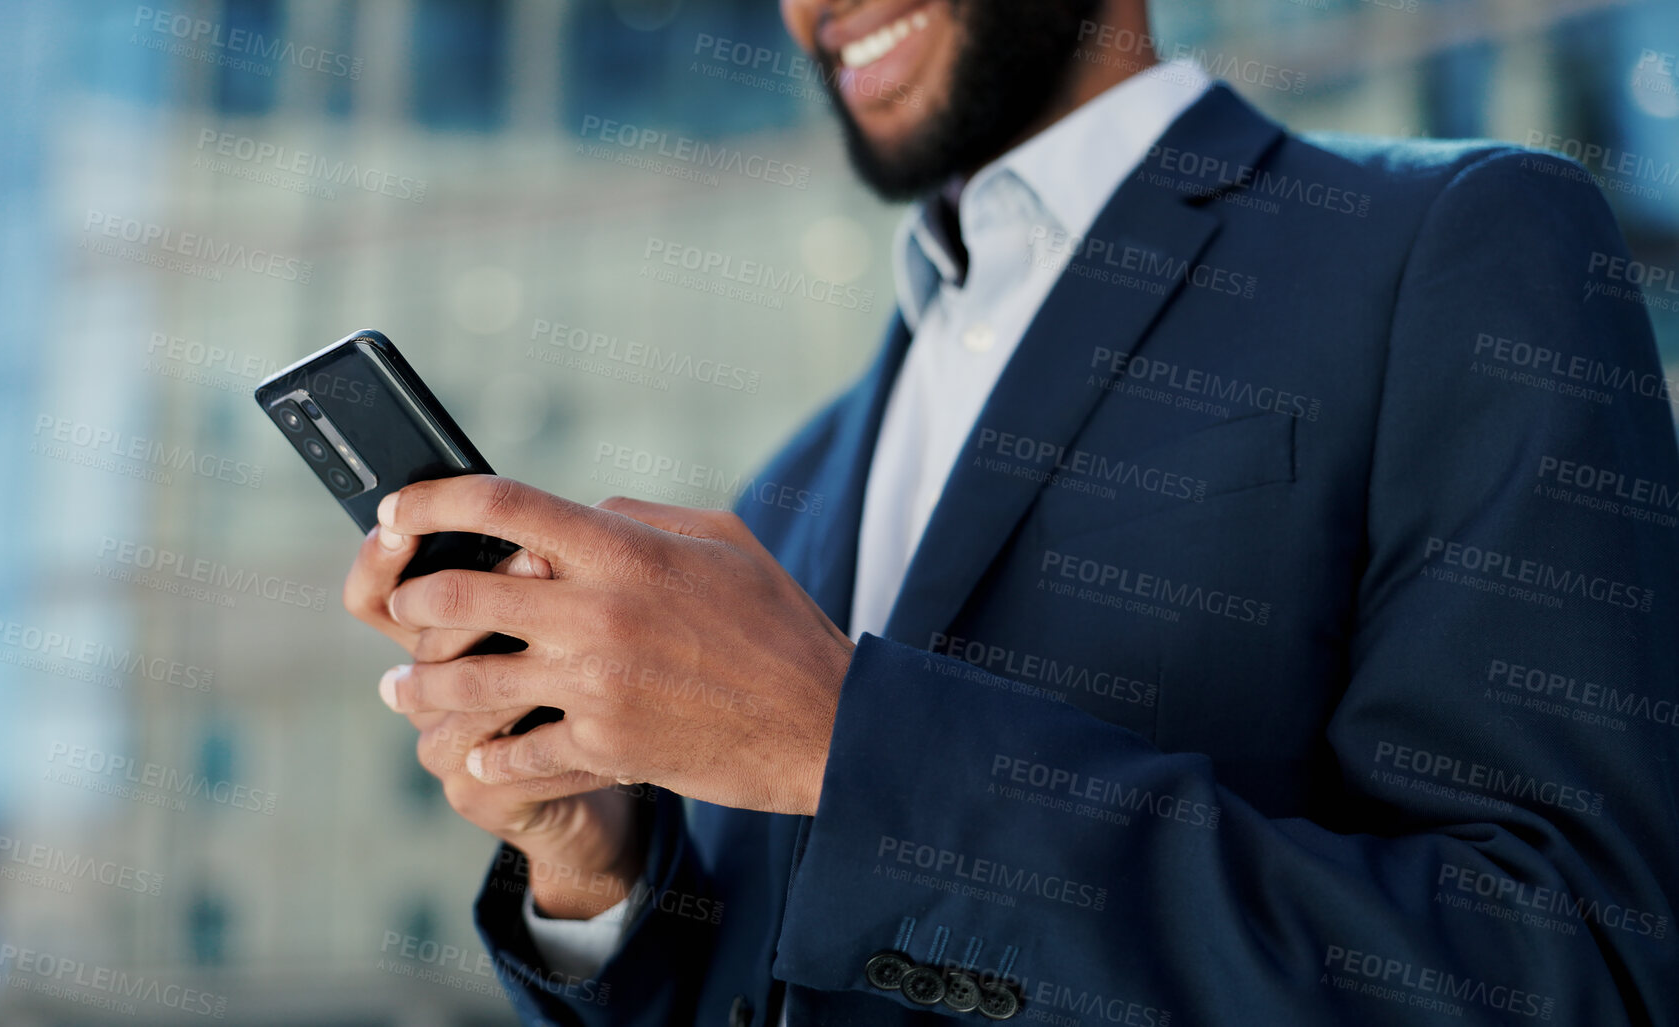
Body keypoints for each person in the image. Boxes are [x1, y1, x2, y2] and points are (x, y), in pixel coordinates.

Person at [342, 0, 1679, 1023]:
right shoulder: (793, 490)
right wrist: (602, 870)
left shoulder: (1453, 238)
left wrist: (841, 741)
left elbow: (1572, 966)